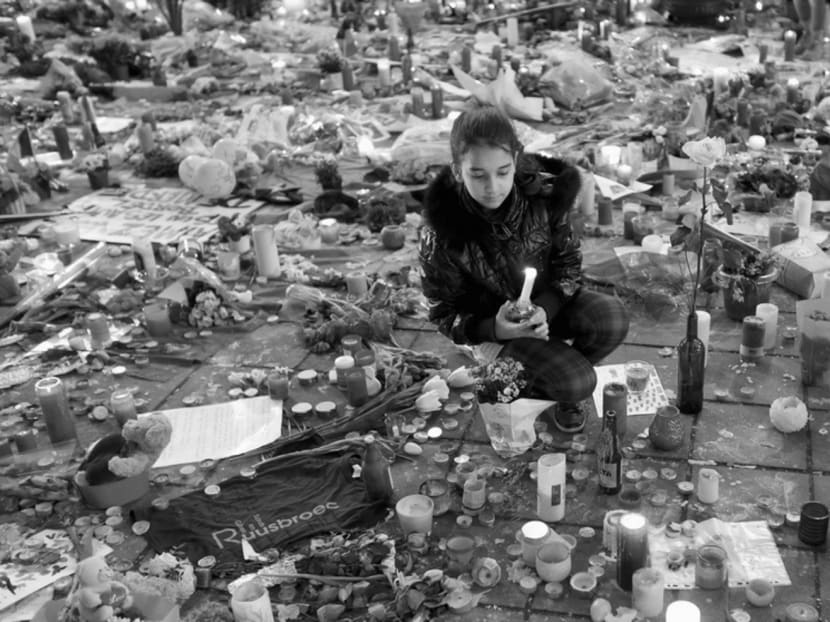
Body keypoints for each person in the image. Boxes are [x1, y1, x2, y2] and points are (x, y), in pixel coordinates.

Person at [419, 106, 629, 434]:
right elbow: (444, 315)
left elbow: (569, 266)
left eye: (503, 171)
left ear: (516, 160)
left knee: (612, 317)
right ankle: (526, 379)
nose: (493, 186)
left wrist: (545, 309)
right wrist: (498, 329)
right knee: (579, 382)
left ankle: (544, 369)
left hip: (544, 306)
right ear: (457, 171)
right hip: (490, 328)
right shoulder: (442, 234)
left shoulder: (546, 197)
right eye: (478, 174)